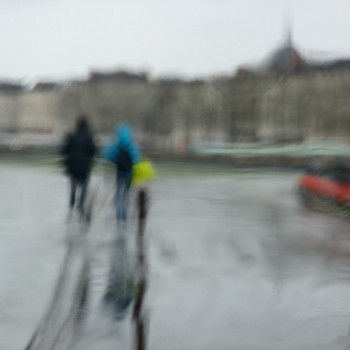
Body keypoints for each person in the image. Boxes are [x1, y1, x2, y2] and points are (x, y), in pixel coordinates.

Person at [101, 123, 140, 222]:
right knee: (126, 191)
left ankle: (118, 210)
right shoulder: (131, 144)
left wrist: (114, 161)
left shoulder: (115, 143)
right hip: (128, 170)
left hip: (119, 170)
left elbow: (109, 155)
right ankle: (125, 211)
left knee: (118, 190)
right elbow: (136, 157)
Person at [61, 116, 96, 215]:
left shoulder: (72, 136)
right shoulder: (89, 136)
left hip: (73, 166)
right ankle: (80, 203)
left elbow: (65, 150)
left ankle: (71, 205)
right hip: (85, 166)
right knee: (84, 186)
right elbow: (92, 151)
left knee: (73, 186)